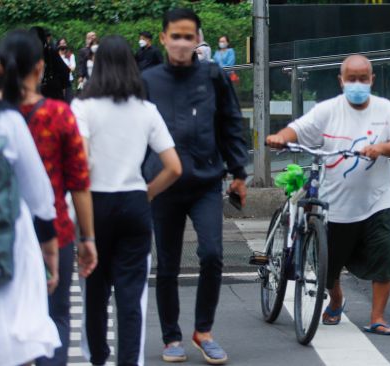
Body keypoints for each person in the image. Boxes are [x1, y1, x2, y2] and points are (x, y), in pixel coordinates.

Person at [266, 54, 390, 336]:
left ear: (372, 80)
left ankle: (377, 317)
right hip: (335, 204)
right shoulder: (328, 110)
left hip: (377, 201)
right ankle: (336, 300)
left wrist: (380, 149)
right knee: (327, 267)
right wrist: (281, 137)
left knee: (383, 259)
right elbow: (297, 129)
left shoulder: (385, 110)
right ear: (341, 80)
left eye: (362, 78)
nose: (357, 83)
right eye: (351, 78)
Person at [141, 8, 248, 364]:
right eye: (176, 36)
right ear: (163, 38)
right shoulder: (149, 80)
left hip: (205, 181)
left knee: (213, 255)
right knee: (167, 264)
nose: (183, 43)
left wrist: (239, 172)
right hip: (163, 185)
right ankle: (171, 337)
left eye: (189, 36)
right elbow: (135, 132)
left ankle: (204, 331)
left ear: (198, 39)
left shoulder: (213, 75)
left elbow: (231, 122)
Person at [71, 35, 182, 366]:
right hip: (134, 203)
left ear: (97, 65)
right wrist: (147, 191)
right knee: (131, 298)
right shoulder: (147, 110)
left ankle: (98, 359)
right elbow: (174, 167)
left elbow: (82, 164)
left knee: (94, 293)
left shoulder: (82, 108)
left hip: (94, 204)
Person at [0, 30, 98, 366]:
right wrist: (87, 238)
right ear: (40, 68)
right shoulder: (57, 115)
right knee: (54, 318)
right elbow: (78, 183)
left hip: (5, 234)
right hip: (51, 234)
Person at [0, 30, 61, 366]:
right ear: (38, 69)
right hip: (10, 245)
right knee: (17, 338)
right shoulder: (8, 122)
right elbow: (39, 195)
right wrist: (50, 249)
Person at [29, 27, 69, 101]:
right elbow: (65, 70)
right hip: (51, 90)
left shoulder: (29, 52)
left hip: (44, 90)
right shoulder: (50, 50)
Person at [57, 38, 76, 103]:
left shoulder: (70, 55)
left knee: (69, 100)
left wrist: (64, 69)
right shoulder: (56, 55)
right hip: (58, 81)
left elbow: (73, 67)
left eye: (64, 43)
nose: (63, 45)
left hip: (68, 80)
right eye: (61, 43)